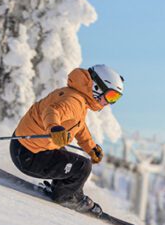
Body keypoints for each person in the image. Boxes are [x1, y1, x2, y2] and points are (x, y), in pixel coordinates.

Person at [10, 64, 123, 214]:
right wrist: (54, 127)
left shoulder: (78, 98)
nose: (109, 103)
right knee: (82, 166)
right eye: (110, 96)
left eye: (115, 98)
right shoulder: (74, 101)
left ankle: (63, 189)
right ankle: (67, 197)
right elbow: (51, 111)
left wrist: (91, 147)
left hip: (23, 146)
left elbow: (79, 126)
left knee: (66, 155)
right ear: (97, 87)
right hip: (29, 156)